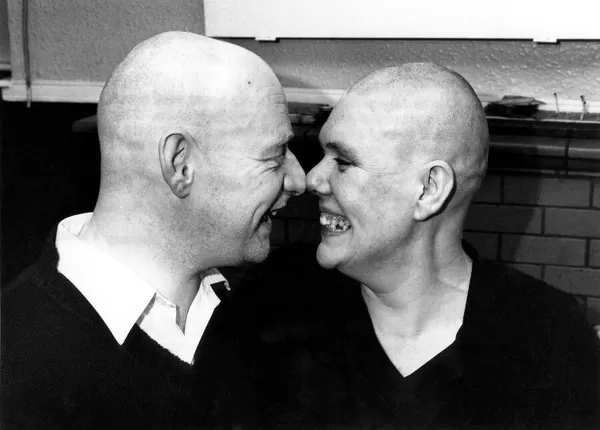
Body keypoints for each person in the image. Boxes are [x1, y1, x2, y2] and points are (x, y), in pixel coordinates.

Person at [249, 63, 600, 428]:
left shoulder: (548, 337)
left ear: (429, 189)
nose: (312, 179)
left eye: (344, 162)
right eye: (322, 156)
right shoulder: (274, 298)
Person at [1, 31, 305, 428]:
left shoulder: (256, 324)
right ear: (180, 164)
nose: (299, 180)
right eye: (276, 155)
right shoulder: (15, 369)